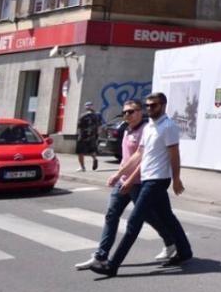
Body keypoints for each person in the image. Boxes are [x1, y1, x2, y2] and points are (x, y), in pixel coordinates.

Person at [89, 92, 192, 278]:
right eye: (148, 105)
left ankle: (112, 265)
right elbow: (139, 154)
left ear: (163, 105)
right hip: (147, 178)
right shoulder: (149, 127)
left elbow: (174, 155)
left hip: (157, 180)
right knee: (167, 217)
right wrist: (119, 174)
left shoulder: (168, 127)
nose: (150, 109)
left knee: (134, 222)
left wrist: (176, 179)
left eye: (154, 105)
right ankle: (185, 251)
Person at [75, 100, 176, 272]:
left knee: (148, 217)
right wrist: (118, 175)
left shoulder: (147, 129)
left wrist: (130, 180)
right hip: (124, 181)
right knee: (111, 215)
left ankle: (170, 242)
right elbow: (127, 157)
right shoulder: (126, 129)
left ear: (140, 112)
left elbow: (144, 160)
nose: (127, 115)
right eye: (125, 112)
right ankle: (101, 256)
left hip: (139, 183)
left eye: (131, 111)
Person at [76, 102, 103, 172]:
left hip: (83, 136)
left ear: (86, 107)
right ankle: (94, 159)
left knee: (80, 152)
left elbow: (79, 125)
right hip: (92, 136)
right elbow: (99, 126)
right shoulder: (97, 115)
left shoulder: (83, 116)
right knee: (91, 150)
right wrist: (97, 135)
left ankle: (82, 167)